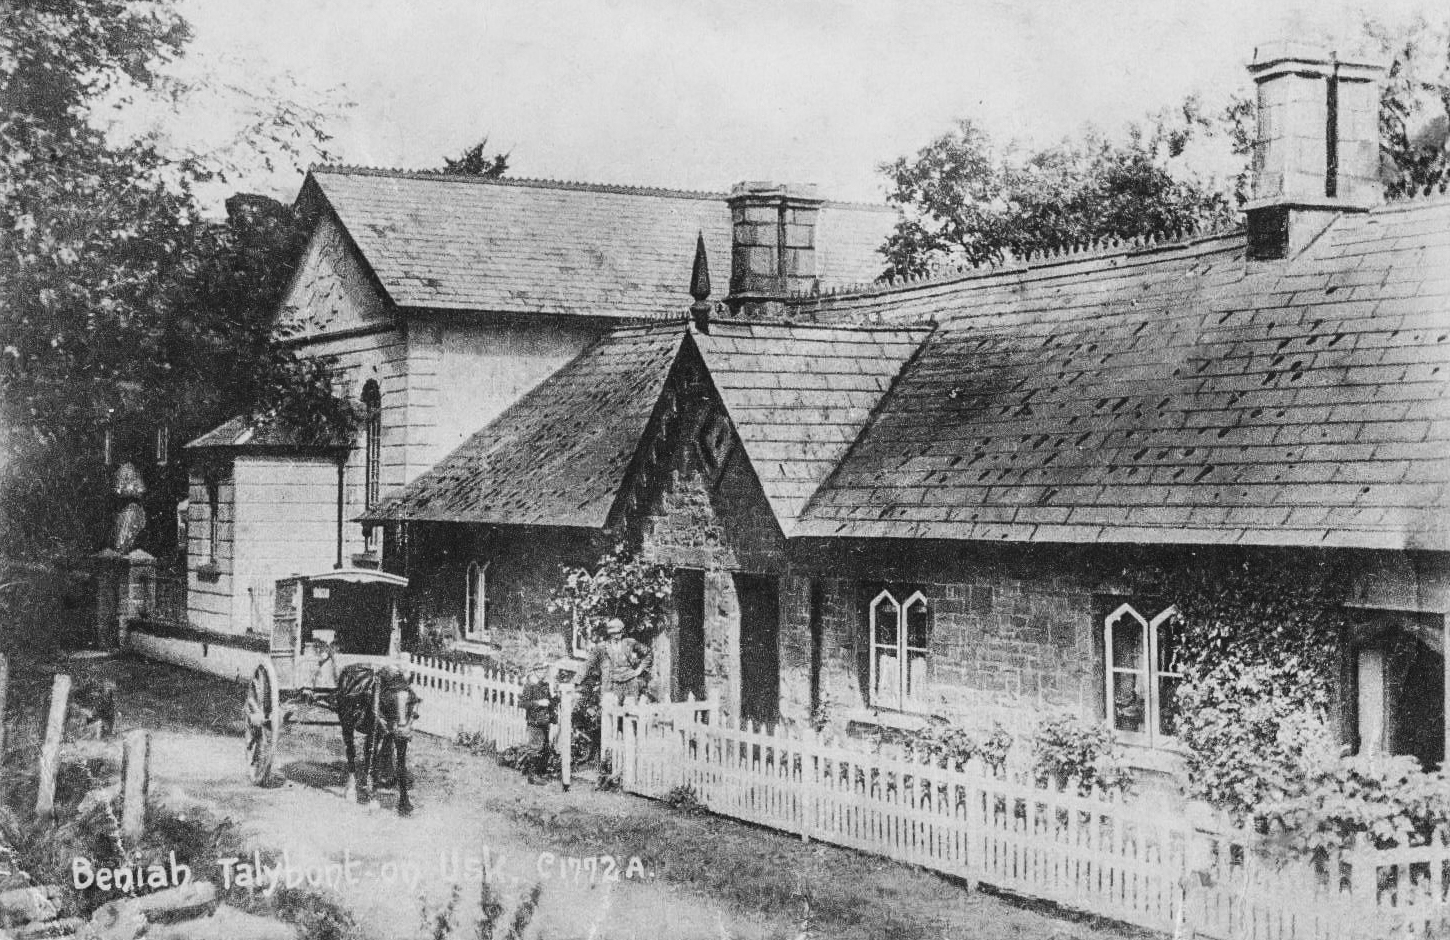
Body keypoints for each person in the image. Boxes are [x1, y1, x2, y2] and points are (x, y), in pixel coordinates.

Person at [584, 618, 653, 706]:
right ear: (610, 634)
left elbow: (648, 653)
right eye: (613, 633)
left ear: (622, 632)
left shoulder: (629, 643)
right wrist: (577, 680)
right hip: (613, 684)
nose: (616, 636)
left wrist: (640, 669)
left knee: (630, 713)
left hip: (630, 683)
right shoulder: (602, 647)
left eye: (618, 632)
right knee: (611, 712)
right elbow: (588, 663)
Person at [519, 663, 557, 785]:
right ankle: (532, 776)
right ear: (534, 670)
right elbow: (523, 703)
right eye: (540, 670)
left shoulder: (545, 684)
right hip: (534, 721)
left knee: (545, 748)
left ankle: (541, 773)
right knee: (535, 749)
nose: (542, 672)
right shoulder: (530, 684)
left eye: (544, 669)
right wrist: (538, 703)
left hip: (545, 721)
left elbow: (551, 702)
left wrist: (554, 695)